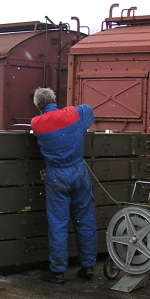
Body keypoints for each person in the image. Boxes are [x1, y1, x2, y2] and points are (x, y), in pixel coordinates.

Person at [30, 87, 96, 284]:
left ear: (37, 105)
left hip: (56, 175)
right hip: (79, 172)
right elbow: (89, 110)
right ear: (54, 99)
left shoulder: (37, 123)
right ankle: (88, 266)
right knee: (85, 219)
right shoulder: (74, 113)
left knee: (58, 223)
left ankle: (58, 271)